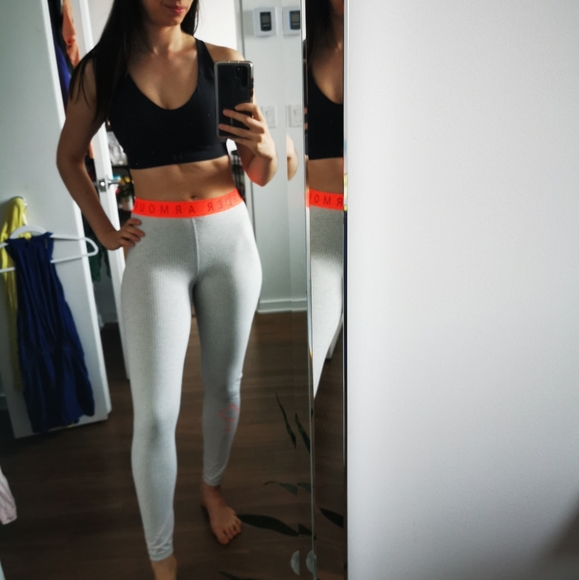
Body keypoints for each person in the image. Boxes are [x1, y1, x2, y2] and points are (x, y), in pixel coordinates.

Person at [56, 1, 277, 578]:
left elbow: (260, 173)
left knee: (225, 386)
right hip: (156, 246)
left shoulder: (223, 61)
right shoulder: (102, 70)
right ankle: (162, 557)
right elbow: (69, 156)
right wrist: (104, 230)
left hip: (230, 238)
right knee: (155, 415)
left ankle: (211, 488)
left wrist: (265, 147)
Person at [305, 0, 344, 395]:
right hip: (323, 212)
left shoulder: (391, 55)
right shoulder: (302, 56)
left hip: (383, 220)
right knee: (313, 345)